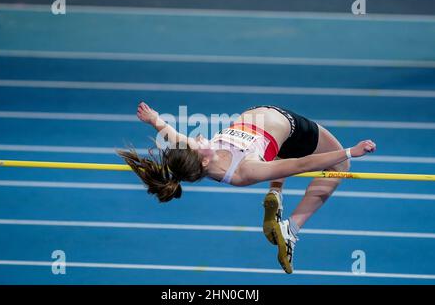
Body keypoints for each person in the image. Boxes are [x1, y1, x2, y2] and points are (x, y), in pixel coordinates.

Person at [118, 102, 376, 274]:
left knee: (275, 154)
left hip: (271, 134)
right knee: (339, 165)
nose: (197, 138)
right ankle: (291, 229)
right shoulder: (246, 171)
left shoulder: (196, 157)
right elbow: (303, 163)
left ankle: (276, 194)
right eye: (197, 144)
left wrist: (154, 120)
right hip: (291, 128)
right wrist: (349, 151)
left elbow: (170, 134)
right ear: (204, 161)